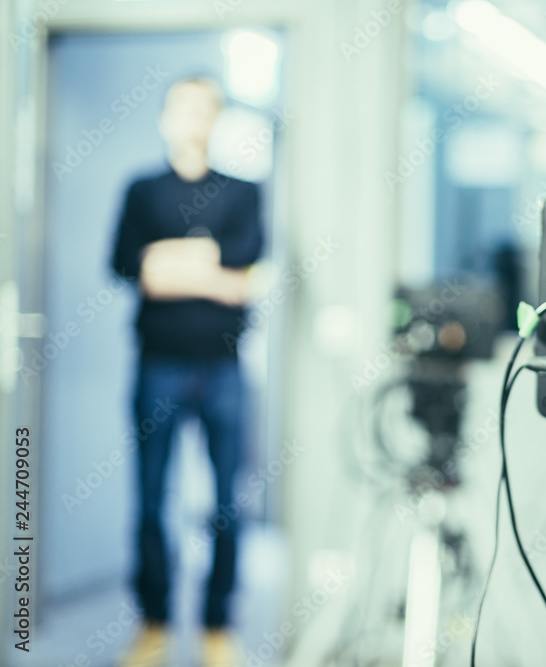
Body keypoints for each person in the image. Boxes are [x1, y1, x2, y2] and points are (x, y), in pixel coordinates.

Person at [110, 77, 263, 667]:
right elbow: (131, 267)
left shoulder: (243, 192)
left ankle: (217, 626)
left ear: (216, 118)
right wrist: (209, 267)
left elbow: (244, 271)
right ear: (165, 118)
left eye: (203, 109)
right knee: (151, 499)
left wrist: (169, 259)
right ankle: (152, 622)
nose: (191, 118)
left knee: (228, 502)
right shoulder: (141, 191)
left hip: (223, 368)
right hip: (158, 367)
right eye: (181, 107)